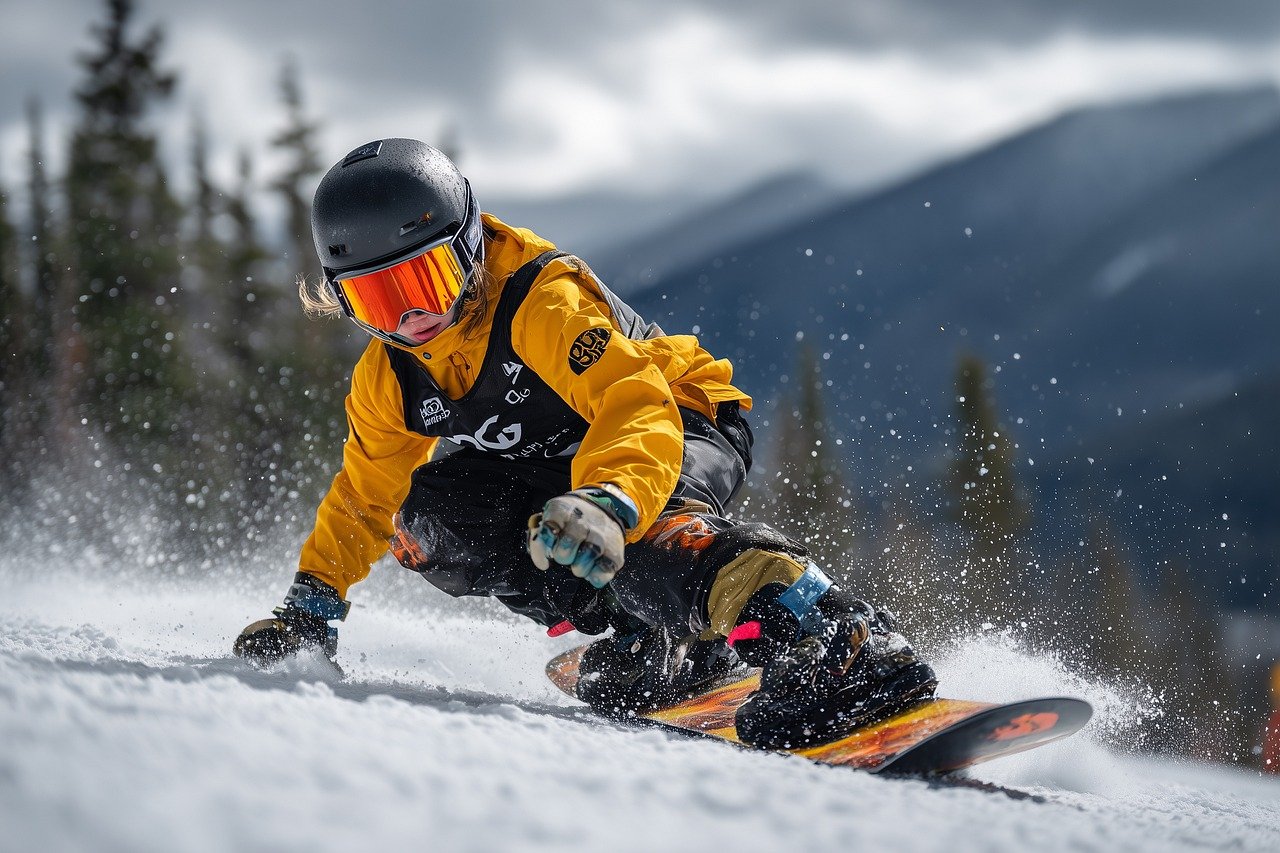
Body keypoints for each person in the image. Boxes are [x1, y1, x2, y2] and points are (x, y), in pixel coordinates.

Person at [233, 138, 936, 748]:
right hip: (566, 466)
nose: (414, 316)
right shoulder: (389, 376)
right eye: (379, 299)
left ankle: (835, 635)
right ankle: (661, 638)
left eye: (427, 279)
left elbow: (634, 403)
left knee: (642, 537)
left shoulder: (539, 302)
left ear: (469, 246)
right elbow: (365, 495)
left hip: (676, 419)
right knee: (430, 522)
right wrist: (310, 610)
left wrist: (608, 501)